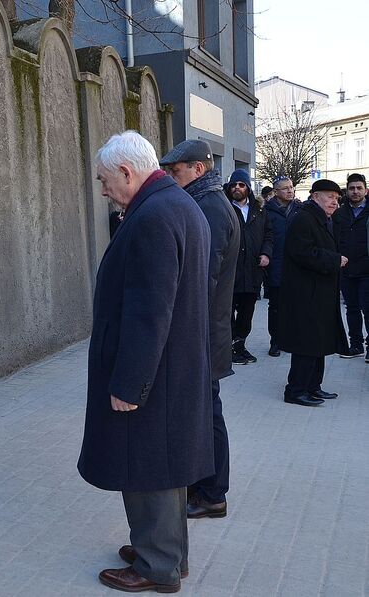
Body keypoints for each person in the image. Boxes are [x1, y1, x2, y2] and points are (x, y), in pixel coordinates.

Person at [79, 131, 213, 593]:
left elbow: (148, 311)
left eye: (103, 180)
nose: (102, 190)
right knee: (163, 466)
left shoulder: (153, 215)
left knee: (147, 467)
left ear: (126, 172)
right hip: (172, 368)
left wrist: (129, 383)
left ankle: (157, 567)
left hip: (152, 374)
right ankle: (167, 554)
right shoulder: (174, 204)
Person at [160, 139, 239, 521]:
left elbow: (200, 279)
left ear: (198, 169)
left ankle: (212, 493)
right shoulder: (206, 203)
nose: (171, 179)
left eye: (176, 172)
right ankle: (206, 487)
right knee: (206, 409)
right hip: (207, 330)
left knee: (207, 412)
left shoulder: (207, 207)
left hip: (204, 333)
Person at [278, 180, 349, 406]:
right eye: (330, 197)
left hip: (319, 292)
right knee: (307, 343)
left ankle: (313, 387)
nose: (334, 202)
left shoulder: (322, 218)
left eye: (337, 199)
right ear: (316, 196)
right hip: (306, 293)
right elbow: (303, 253)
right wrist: (334, 260)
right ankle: (296, 390)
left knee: (318, 342)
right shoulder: (303, 219)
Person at [225, 169, 273, 364]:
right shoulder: (225, 208)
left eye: (241, 185)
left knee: (247, 312)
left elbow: (269, 234)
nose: (237, 188)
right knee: (227, 312)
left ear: (248, 188)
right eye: (234, 185)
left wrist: (266, 253)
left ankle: (240, 345)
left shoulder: (259, 211)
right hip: (230, 271)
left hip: (252, 271)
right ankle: (229, 348)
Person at [263, 176, 303, 357]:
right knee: (276, 306)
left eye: (291, 187)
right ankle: (275, 341)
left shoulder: (300, 210)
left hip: (297, 266)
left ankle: (293, 339)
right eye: (285, 188)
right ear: (276, 192)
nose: (290, 191)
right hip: (277, 265)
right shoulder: (267, 212)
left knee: (296, 305)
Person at [332, 173, 369, 360]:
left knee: (368, 308)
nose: (355, 191)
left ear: (366, 190)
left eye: (359, 188)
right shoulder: (340, 213)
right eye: (352, 188)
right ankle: (356, 345)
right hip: (346, 269)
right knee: (352, 308)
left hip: (367, 270)